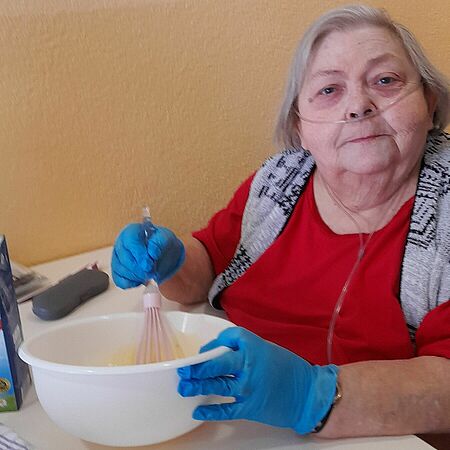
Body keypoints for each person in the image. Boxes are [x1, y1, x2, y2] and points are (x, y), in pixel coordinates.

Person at [111, 4, 450, 438]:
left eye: (385, 81)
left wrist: (313, 395)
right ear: (300, 124)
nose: (358, 106)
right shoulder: (277, 183)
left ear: (430, 100)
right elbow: (207, 269)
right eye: (329, 90)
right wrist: (170, 259)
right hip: (220, 421)